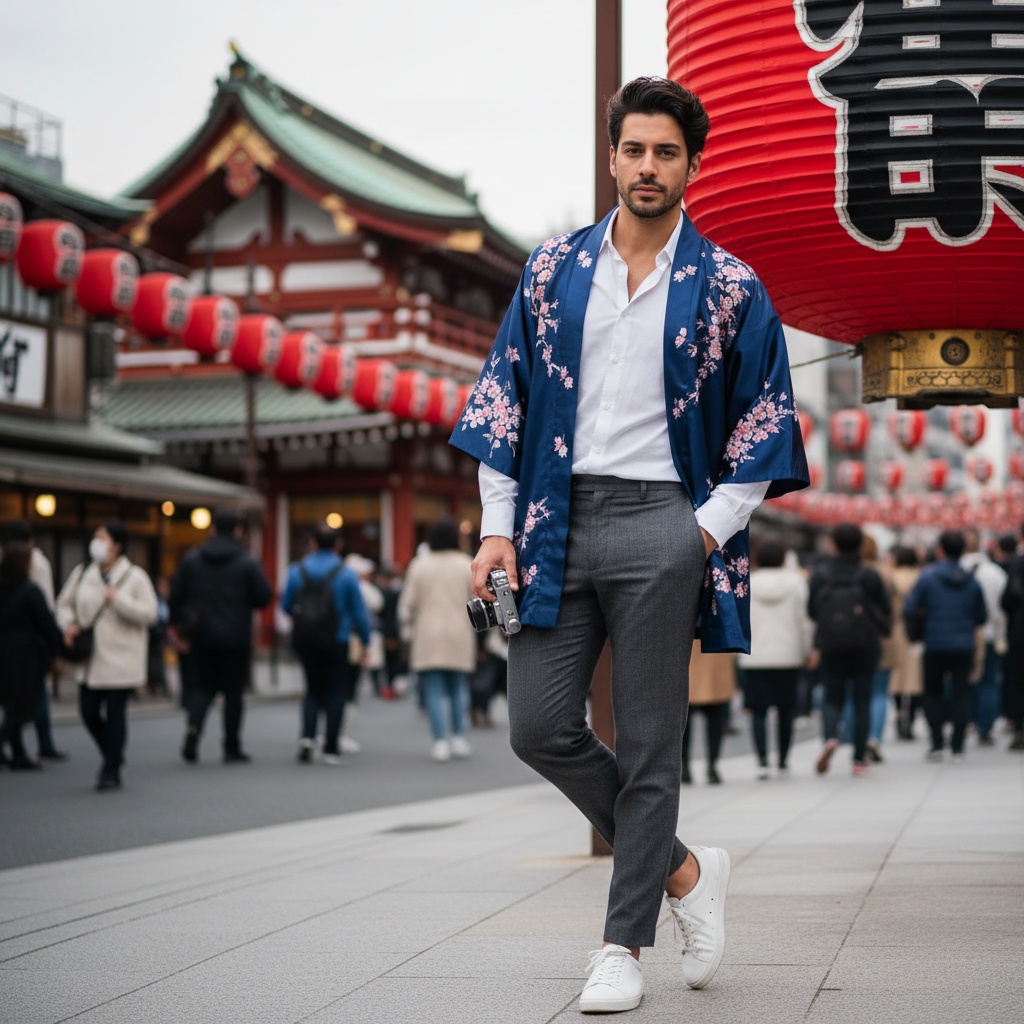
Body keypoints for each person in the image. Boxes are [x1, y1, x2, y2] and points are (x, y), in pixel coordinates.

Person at [449, 77, 808, 1010]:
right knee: (539, 726)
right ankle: (689, 873)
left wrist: (701, 533)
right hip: (553, 519)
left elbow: (765, 426)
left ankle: (622, 945)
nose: (648, 167)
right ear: (611, 157)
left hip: (663, 520)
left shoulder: (731, 286)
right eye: (634, 150)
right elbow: (505, 403)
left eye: (667, 153)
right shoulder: (548, 270)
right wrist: (497, 528)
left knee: (650, 744)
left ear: (692, 165)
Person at [56, 521, 158, 790]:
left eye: (102, 538)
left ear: (118, 545)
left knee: (115, 715)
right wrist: (68, 625)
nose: (96, 543)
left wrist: (118, 599)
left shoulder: (135, 576)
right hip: (90, 657)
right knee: (88, 711)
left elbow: (150, 613)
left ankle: (110, 769)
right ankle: (113, 754)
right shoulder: (82, 573)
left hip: (121, 658)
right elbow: (64, 604)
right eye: (95, 537)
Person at [170, 510, 272, 764]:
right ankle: (231, 745)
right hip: (236, 635)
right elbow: (264, 596)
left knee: (202, 687)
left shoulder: (192, 559)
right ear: (238, 530)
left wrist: (181, 628)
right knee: (233, 693)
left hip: (201, 634)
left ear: (212, 528)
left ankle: (194, 727)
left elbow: (175, 597)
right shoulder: (247, 561)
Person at [280, 526, 370, 765]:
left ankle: (307, 738)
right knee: (336, 692)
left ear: (312, 543)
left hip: (306, 638)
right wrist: (366, 640)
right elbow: (359, 612)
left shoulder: (296, 570)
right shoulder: (346, 573)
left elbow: (286, 605)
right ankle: (330, 746)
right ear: (338, 545)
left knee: (312, 689)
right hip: (337, 638)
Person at [808, 523, 891, 777]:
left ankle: (831, 736)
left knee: (833, 696)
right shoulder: (869, 575)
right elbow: (885, 611)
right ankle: (859, 759)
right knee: (862, 699)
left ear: (833, 543)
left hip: (831, 643)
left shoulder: (820, 574)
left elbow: (811, 611)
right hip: (865, 644)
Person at [903, 530, 987, 761]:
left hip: (935, 642)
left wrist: (918, 631)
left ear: (940, 549)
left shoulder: (928, 577)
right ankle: (958, 744)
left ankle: (937, 742)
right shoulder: (971, 579)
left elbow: (910, 608)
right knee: (961, 692)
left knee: (932, 692)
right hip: (963, 643)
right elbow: (981, 615)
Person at [399, 516, 477, 762]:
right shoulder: (466, 564)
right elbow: (476, 600)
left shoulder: (419, 565)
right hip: (460, 631)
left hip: (427, 634)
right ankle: (458, 737)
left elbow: (406, 606)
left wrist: (406, 629)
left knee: (433, 690)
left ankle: (440, 740)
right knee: (458, 687)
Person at [736, 538, 814, 780]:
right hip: (788, 655)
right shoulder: (797, 583)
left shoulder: (747, 583)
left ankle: (761, 761)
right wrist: (807, 650)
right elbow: (804, 622)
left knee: (757, 711)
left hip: (755, 656)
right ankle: (782, 760)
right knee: (786, 710)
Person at [1, 519, 66, 761]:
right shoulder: (32, 582)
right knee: (29, 700)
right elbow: (46, 615)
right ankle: (40, 743)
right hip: (28, 652)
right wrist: (57, 647)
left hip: (6, 650)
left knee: (11, 702)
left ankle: (18, 751)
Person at [960, 529, 1007, 747]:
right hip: (988, 634)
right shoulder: (995, 572)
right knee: (989, 682)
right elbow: (1001, 609)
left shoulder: (954, 569)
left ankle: (963, 722)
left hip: (958, 636)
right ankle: (986, 727)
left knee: (961, 682)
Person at [681, 646, 735, 785]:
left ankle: (685, 768)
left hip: (689, 660)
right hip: (715, 655)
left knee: (683, 724)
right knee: (715, 722)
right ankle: (712, 766)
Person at [886, 546, 924, 740]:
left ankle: (900, 713)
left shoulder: (890, 576)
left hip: (895, 630)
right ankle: (911, 717)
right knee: (916, 678)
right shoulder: (922, 576)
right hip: (916, 631)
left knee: (897, 677)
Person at [999, 525, 1024, 751]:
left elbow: (1007, 599)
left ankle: (1019, 728)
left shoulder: (1018, 563)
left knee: (1018, 679)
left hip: (1019, 628)